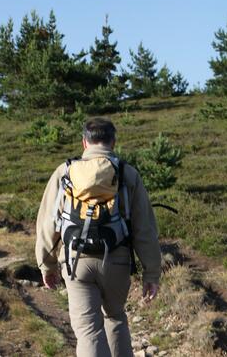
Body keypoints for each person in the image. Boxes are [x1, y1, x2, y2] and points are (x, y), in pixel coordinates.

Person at [35, 117, 161, 357]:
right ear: (113, 142)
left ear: (85, 142)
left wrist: (46, 264)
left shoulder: (65, 171)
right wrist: (151, 272)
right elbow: (144, 228)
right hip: (117, 259)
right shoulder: (127, 173)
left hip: (75, 262)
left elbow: (48, 222)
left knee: (88, 331)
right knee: (115, 318)